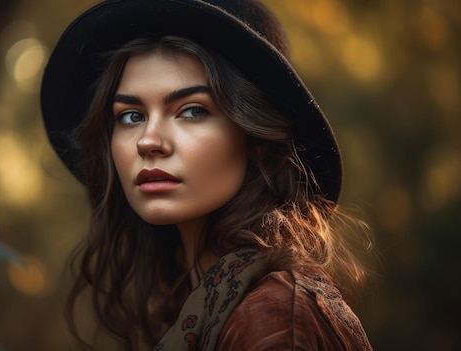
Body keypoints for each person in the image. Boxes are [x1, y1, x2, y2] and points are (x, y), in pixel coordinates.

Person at [40, 0, 374, 350]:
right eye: (131, 116)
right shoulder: (197, 305)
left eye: (192, 110)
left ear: (257, 140)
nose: (148, 141)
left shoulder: (274, 320)